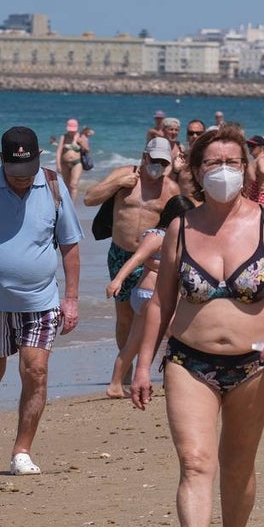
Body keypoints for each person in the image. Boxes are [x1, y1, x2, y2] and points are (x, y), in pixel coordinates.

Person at [130, 124, 264, 527]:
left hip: (256, 365)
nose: (223, 171)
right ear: (195, 169)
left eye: (232, 162)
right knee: (195, 459)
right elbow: (161, 303)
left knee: (238, 461)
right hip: (189, 362)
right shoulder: (180, 228)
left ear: (245, 169)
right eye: (214, 163)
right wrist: (142, 364)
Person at [0, 126, 84, 476]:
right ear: (2, 162)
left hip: (40, 301)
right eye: (15, 173)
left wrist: (70, 299)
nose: (22, 180)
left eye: (27, 173)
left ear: (39, 159)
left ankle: (22, 451)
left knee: (36, 371)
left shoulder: (53, 186)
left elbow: (70, 246)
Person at [83, 137, 181, 389]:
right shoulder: (124, 175)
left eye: (163, 162)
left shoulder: (170, 188)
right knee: (125, 316)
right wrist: (117, 184)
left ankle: (159, 368)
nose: (157, 166)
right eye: (154, 160)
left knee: (156, 314)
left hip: (151, 259)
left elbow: (181, 223)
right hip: (120, 253)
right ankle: (124, 372)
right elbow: (89, 198)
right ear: (143, 156)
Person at [105, 195, 197, 398]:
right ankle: (176, 380)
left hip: (152, 297)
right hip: (148, 296)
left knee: (135, 343)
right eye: (186, 218)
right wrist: (117, 280)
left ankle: (115, 385)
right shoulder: (158, 236)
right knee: (177, 336)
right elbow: (137, 259)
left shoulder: (179, 237)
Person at [55, 118, 89, 199]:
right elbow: (59, 151)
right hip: (64, 163)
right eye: (70, 130)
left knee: (73, 185)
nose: (71, 132)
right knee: (66, 186)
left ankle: (72, 207)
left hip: (77, 163)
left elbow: (87, 149)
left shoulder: (80, 136)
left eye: (73, 130)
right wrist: (58, 164)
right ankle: (67, 204)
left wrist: (80, 142)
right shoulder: (63, 137)